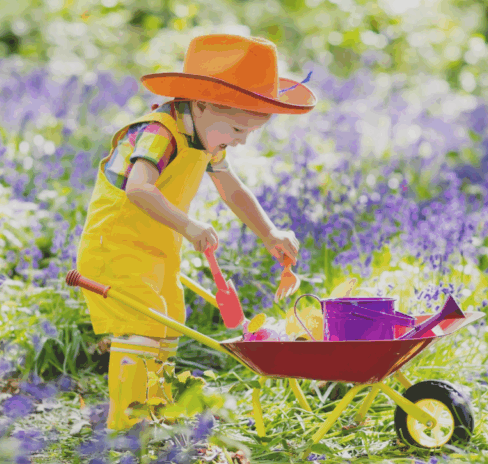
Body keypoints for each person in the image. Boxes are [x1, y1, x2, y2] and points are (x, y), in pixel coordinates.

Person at [76, 33, 316, 430]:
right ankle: (126, 427)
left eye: (248, 134)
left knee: (168, 326)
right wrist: (189, 226)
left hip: (157, 248)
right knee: (142, 329)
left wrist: (269, 232)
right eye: (238, 130)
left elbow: (232, 189)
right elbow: (138, 188)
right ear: (203, 104)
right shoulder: (159, 132)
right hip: (115, 247)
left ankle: (153, 413)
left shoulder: (206, 134)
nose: (240, 141)